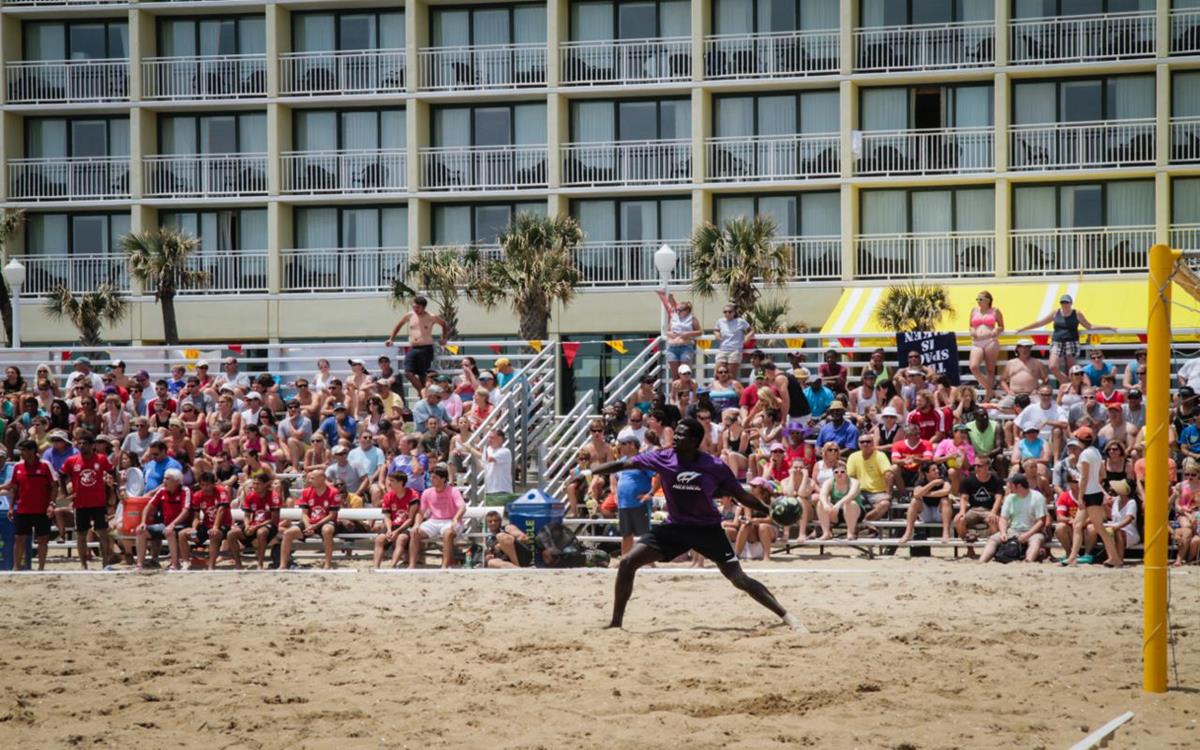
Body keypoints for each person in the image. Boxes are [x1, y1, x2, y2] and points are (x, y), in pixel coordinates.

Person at [585, 417, 804, 631]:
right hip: (675, 528)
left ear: (695, 440)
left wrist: (770, 511)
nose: (676, 437)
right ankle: (616, 623)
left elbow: (741, 496)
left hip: (707, 530)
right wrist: (591, 471)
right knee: (627, 562)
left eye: (682, 434)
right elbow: (625, 464)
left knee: (739, 579)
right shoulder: (663, 457)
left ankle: (786, 616)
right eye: (676, 432)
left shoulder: (714, 465)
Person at [1015, 294, 1113, 384]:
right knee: (1052, 366)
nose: (1064, 304)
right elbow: (1040, 323)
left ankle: (1072, 388)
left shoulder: (1077, 313)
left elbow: (1089, 326)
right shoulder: (1055, 312)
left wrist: (1108, 327)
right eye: (1062, 302)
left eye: (1066, 302)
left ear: (1071, 303)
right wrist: (1023, 328)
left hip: (1072, 342)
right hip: (1057, 342)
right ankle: (1067, 384)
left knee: (1070, 368)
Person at [1063, 427, 1122, 567]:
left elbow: (1084, 478)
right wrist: (1093, 482)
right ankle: (1072, 557)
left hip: (1090, 494)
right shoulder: (1096, 452)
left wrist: (1081, 496)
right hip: (1094, 491)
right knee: (1078, 525)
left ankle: (1115, 558)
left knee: (1099, 527)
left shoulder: (1084, 455)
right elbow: (1103, 475)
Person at [58, 433, 116, 569]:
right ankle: (83, 564)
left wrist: (113, 487)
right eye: (80, 443)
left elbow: (113, 472)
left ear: (92, 445)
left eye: (85, 443)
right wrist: (66, 494)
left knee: (102, 533)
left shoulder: (101, 459)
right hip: (80, 504)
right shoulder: (72, 461)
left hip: (99, 503)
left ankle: (105, 562)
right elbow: (61, 476)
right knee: (81, 535)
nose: (82, 445)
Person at [6, 439, 57, 570]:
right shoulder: (17, 467)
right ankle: (16, 568)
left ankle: (41, 568)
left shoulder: (45, 465)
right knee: (19, 539)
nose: (21, 453)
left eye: (23, 450)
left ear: (32, 451)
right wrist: (11, 507)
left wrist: (52, 504)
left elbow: (54, 486)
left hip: (42, 510)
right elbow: (14, 488)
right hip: (23, 509)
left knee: (42, 540)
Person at [385, 295, 449, 395]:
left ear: (423, 307)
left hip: (426, 348)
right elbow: (399, 325)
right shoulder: (410, 315)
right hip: (413, 348)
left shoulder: (431, 316)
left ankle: (424, 397)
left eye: (418, 307)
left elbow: (444, 324)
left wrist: (444, 338)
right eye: (414, 307)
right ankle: (422, 392)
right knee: (408, 372)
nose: (415, 309)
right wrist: (391, 339)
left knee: (423, 375)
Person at [279, 469, 341, 570]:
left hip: (326, 521)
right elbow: (304, 513)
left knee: (327, 530)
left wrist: (315, 526)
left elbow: (332, 515)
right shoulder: (306, 492)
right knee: (288, 533)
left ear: (322, 479)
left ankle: (327, 564)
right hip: (311, 521)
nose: (310, 480)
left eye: (313, 478)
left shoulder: (333, 492)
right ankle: (282, 565)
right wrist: (308, 525)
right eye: (310, 478)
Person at [979, 473, 1047, 563]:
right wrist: (1003, 532)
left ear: (1018, 486)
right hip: (1013, 530)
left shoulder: (1037, 497)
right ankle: (981, 561)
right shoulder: (1010, 498)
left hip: (1033, 531)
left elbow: (1041, 521)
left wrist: (1028, 534)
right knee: (993, 539)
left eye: (1010, 484)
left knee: (1036, 541)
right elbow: (1003, 518)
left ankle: (1028, 561)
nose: (1008, 486)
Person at [409, 465, 465, 569]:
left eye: (434, 477)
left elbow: (462, 507)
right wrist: (416, 524)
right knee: (414, 532)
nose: (431, 479)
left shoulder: (453, 491)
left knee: (448, 533)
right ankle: (412, 564)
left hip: (450, 520)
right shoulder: (427, 492)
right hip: (434, 520)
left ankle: (444, 565)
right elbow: (421, 512)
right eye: (431, 477)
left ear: (443, 479)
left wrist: (456, 519)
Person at [135, 468, 191, 570]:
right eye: (164, 478)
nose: (164, 481)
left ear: (177, 481)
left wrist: (172, 524)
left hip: (182, 525)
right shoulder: (162, 491)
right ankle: (140, 564)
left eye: (167, 479)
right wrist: (143, 522)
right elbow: (148, 507)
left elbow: (185, 512)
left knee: (169, 531)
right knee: (140, 531)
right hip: (166, 524)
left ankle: (175, 563)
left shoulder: (185, 491)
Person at [178, 472, 232, 571]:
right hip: (206, 525)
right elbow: (196, 516)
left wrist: (215, 527)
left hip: (223, 525)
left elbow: (221, 511)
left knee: (214, 534)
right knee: (182, 534)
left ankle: (211, 565)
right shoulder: (197, 495)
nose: (205, 487)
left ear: (213, 484)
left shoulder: (221, 491)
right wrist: (194, 529)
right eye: (202, 485)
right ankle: (185, 562)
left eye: (207, 484)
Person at [227, 471, 281, 570]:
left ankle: (260, 564)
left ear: (266, 484)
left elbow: (273, 519)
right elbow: (247, 515)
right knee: (231, 534)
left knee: (261, 532)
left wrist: (255, 527)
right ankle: (238, 565)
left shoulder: (274, 496)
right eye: (254, 483)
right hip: (254, 524)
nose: (255, 486)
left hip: (269, 525)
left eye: (258, 483)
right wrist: (247, 526)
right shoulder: (250, 496)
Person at [897, 462, 952, 545]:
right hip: (926, 513)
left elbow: (946, 491)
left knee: (945, 500)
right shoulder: (920, 481)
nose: (937, 471)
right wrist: (932, 483)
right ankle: (908, 533)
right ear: (926, 473)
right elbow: (916, 494)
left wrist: (927, 494)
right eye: (933, 470)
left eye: (937, 469)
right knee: (914, 501)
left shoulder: (943, 479)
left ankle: (945, 533)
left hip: (940, 513)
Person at [844, 433, 893, 525]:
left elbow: (889, 474)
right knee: (849, 503)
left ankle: (863, 522)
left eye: (868, 441)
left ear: (873, 443)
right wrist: (851, 493)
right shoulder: (853, 456)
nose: (865, 444)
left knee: (884, 504)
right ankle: (858, 528)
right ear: (858, 444)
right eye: (862, 442)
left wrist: (889, 493)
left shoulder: (880, 455)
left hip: (878, 492)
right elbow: (850, 477)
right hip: (859, 491)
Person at [956, 457, 1004, 547]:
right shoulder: (968, 480)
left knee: (993, 521)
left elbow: (999, 498)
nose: (976, 468)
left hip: (988, 510)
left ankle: (992, 546)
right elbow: (964, 498)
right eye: (975, 465)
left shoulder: (996, 479)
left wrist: (993, 512)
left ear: (987, 466)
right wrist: (962, 511)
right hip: (973, 509)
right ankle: (969, 548)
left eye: (979, 466)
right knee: (959, 520)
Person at [373, 472, 417, 569]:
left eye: (392, 481)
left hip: (407, 526)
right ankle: (376, 567)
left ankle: (392, 566)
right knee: (379, 539)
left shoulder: (413, 495)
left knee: (401, 538)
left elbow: (410, 518)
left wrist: (397, 531)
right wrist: (389, 530)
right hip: (393, 525)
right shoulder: (388, 496)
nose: (389, 483)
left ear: (401, 482)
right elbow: (387, 516)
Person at [657, 291, 701, 380]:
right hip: (672, 348)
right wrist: (671, 334)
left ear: (687, 311)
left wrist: (687, 334)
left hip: (686, 347)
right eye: (677, 310)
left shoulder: (692, 318)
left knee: (685, 374)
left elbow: (700, 332)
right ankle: (676, 394)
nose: (677, 311)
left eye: (680, 310)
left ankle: (686, 394)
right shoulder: (674, 317)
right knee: (675, 376)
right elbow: (668, 331)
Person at [968, 290, 1004, 398]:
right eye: (977, 299)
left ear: (988, 300)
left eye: (981, 299)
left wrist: (997, 330)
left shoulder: (995, 310)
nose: (978, 301)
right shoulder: (974, 310)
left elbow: (1002, 325)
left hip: (990, 341)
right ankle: (990, 389)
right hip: (977, 342)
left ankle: (988, 397)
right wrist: (972, 330)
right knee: (973, 367)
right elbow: (970, 325)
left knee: (990, 370)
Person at [816, 461, 861, 540]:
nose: (839, 474)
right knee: (821, 503)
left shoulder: (854, 482)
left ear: (846, 472)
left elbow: (851, 495)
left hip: (854, 513)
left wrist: (838, 504)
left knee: (850, 503)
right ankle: (826, 533)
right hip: (836, 512)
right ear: (833, 473)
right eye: (836, 472)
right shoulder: (829, 482)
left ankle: (850, 532)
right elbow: (822, 494)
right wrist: (825, 504)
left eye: (842, 472)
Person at [1104, 479, 1139, 566]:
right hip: (1115, 527)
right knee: (1107, 531)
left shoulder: (1132, 502)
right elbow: (1111, 513)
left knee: (1118, 532)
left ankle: (1119, 558)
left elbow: (1129, 519)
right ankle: (1112, 557)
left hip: (1129, 532)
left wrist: (1117, 527)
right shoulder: (1117, 500)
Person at [713, 303, 752, 374]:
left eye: (730, 312)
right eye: (725, 312)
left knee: (731, 375)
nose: (727, 313)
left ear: (734, 312)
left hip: (735, 350)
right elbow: (716, 330)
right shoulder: (720, 321)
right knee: (717, 374)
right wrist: (717, 334)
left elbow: (752, 330)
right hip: (723, 350)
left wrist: (747, 337)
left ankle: (732, 385)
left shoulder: (740, 321)